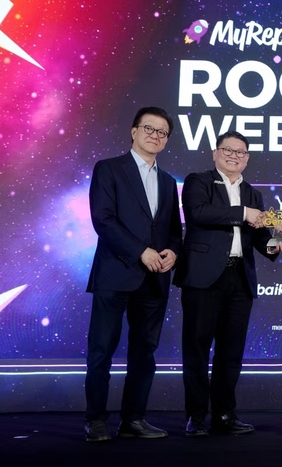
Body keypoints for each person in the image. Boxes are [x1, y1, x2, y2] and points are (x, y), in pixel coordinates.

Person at [173, 130, 282, 437]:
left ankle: (224, 415)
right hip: (203, 277)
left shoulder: (253, 194)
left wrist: (278, 244)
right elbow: (199, 213)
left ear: (247, 159)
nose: (234, 156)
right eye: (228, 150)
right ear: (215, 153)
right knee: (196, 349)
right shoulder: (199, 181)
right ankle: (196, 416)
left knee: (231, 352)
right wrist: (244, 214)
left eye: (240, 152)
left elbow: (260, 238)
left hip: (239, 279)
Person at [84, 107, 182, 442]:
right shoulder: (109, 168)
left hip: (154, 279)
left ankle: (133, 420)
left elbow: (173, 230)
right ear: (134, 131)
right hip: (115, 274)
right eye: (149, 129)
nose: (155, 136)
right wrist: (141, 251)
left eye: (162, 132)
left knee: (144, 354)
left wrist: (173, 252)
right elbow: (103, 219)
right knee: (101, 352)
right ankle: (96, 420)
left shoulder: (168, 182)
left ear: (166, 140)